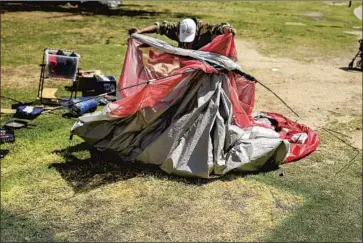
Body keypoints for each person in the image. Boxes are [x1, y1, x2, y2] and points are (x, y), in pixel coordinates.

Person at [128, 17, 236, 50]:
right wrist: (140, 32)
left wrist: (227, 29)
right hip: (186, 67)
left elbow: (220, 28)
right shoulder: (178, 28)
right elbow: (159, 27)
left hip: (206, 68)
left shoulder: (206, 30)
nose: (188, 43)